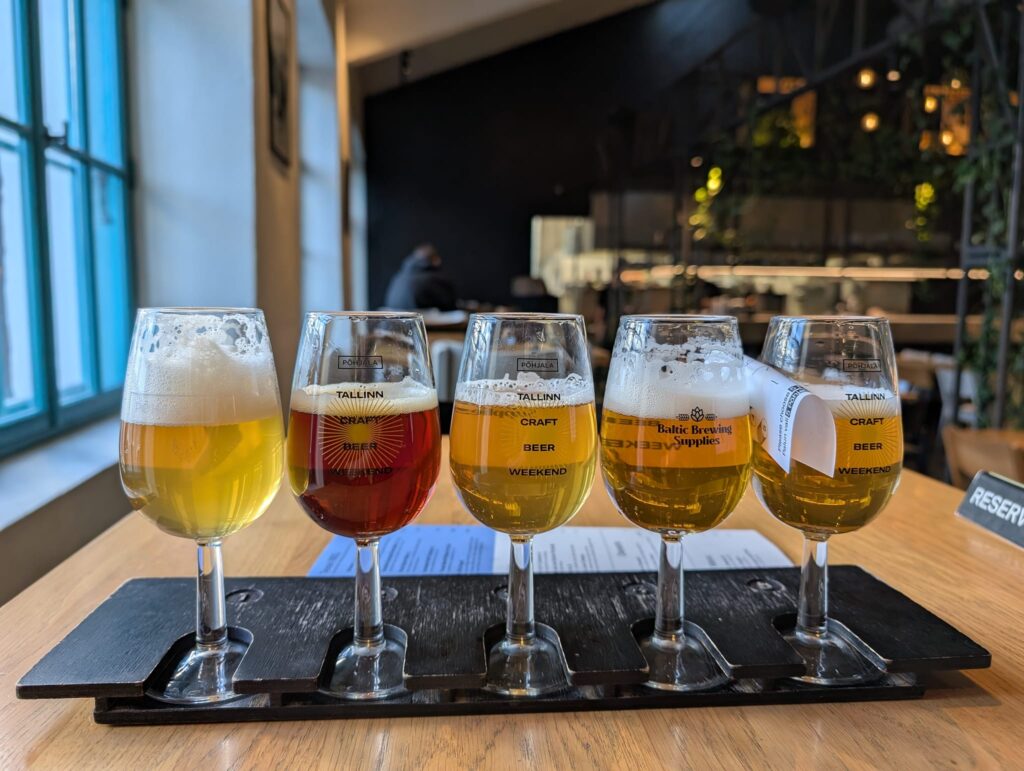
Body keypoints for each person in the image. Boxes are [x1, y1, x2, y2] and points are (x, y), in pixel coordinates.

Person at [383, 244, 457, 311]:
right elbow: (450, 305)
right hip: (425, 324)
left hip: (394, 323)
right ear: (436, 260)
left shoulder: (398, 277)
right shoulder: (434, 279)